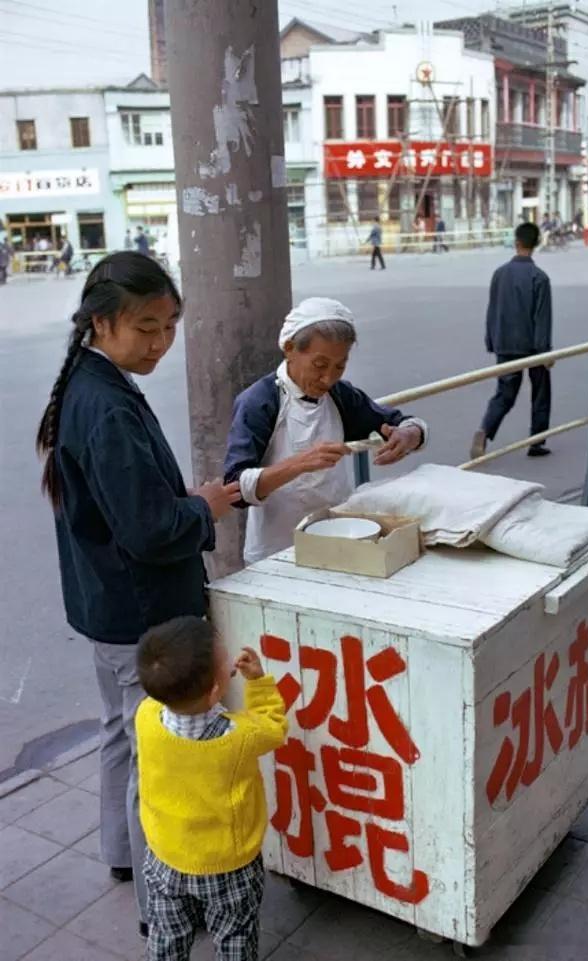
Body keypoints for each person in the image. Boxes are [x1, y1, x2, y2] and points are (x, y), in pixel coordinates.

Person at [35, 251, 241, 936]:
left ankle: (122, 855)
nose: (160, 342)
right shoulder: (106, 406)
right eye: (146, 328)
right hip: (141, 615)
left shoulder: (89, 383)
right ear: (102, 323)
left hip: (106, 607)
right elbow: (151, 530)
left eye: (170, 325)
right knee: (153, 759)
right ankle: (164, 907)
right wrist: (204, 506)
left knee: (120, 737)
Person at [223, 297, 428, 565]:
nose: (328, 378)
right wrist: (300, 463)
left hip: (338, 538)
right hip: (276, 551)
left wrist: (409, 435)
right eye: (319, 365)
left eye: (339, 366)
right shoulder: (259, 402)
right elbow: (235, 488)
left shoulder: (340, 396)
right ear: (289, 349)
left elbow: (402, 422)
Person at [136, 616, 287, 961]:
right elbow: (274, 726)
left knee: (167, 935)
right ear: (217, 690)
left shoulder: (145, 715)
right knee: (235, 936)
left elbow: (165, 697)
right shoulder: (240, 736)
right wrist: (258, 682)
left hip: (165, 857)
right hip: (228, 866)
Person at [470, 222, 553, 460]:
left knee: (505, 393)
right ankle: (536, 441)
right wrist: (545, 351)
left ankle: (485, 430)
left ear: (516, 243)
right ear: (536, 244)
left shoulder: (500, 274)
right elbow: (542, 318)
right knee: (540, 393)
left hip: (505, 343)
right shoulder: (540, 278)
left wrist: (491, 341)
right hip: (532, 346)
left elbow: (493, 310)